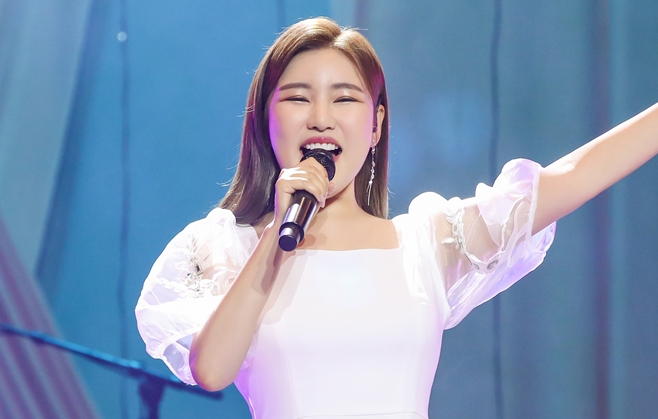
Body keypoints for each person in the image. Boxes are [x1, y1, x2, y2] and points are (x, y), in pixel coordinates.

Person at [135, 17, 658, 419]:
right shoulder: (225, 247)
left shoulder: (426, 245)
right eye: (297, 98)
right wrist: (275, 237)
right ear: (265, 118)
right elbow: (211, 370)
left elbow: (569, 178)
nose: (321, 118)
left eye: (344, 99)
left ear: (376, 124)